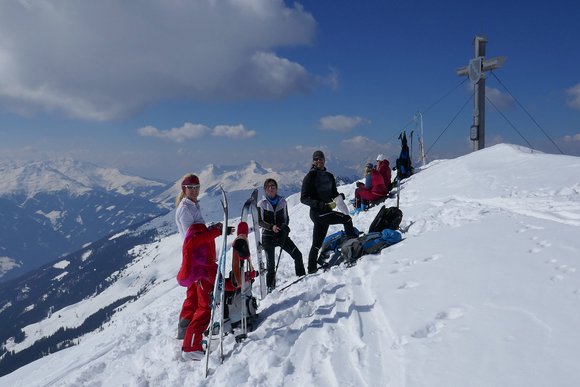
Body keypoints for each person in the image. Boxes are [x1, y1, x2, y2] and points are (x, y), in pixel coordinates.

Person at [174, 173, 228, 361]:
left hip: (196, 261)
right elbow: (193, 240)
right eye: (191, 187)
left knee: (193, 300)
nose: (195, 190)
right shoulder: (185, 209)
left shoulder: (192, 205)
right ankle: (191, 347)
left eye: (197, 187)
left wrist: (213, 230)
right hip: (198, 262)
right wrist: (215, 232)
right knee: (205, 306)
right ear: (184, 189)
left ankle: (184, 334)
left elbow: (196, 234)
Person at [301, 150, 357, 274]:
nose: (319, 161)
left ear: (324, 160)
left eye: (321, 158)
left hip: (325, 213)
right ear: (313, 161)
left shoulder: (329, 176)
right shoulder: (310, 176)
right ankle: (353, 250)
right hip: (317, 213)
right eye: (316, 159)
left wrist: (339, 196)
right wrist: (320, 204)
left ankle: (311, 269)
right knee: (347, 220)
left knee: (317, 244)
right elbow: (303, 198)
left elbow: (333, 194)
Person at [257, 178, 306, 291]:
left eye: (273, 186)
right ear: (265, 189)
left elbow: (286, 218)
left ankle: (302, 278)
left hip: (281, 235)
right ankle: (270, 288)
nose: (271, 188)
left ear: (277, 188)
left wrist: (284, 226)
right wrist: (271, 227)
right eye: (268, 186)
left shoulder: (282, 202)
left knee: (297, 255)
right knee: (271, 266)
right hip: (268, 237)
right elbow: (260, 221)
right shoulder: (261, 204)